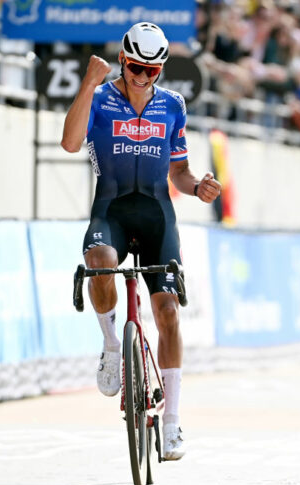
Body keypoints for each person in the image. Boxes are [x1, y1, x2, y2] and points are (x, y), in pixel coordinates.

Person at [60, 22, 222, 460]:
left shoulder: (173, 105)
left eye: (152, 71)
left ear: (162, 70)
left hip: (156, 215)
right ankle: (113, 345)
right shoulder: (100, 98)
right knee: (98, 261)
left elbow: (180, 172)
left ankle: (172, 423)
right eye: (135, 67)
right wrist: (88, 85)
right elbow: (71, 143)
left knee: (167, 311)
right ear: (122, 61)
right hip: (110, 209)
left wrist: (197, 188)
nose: (142, 77)